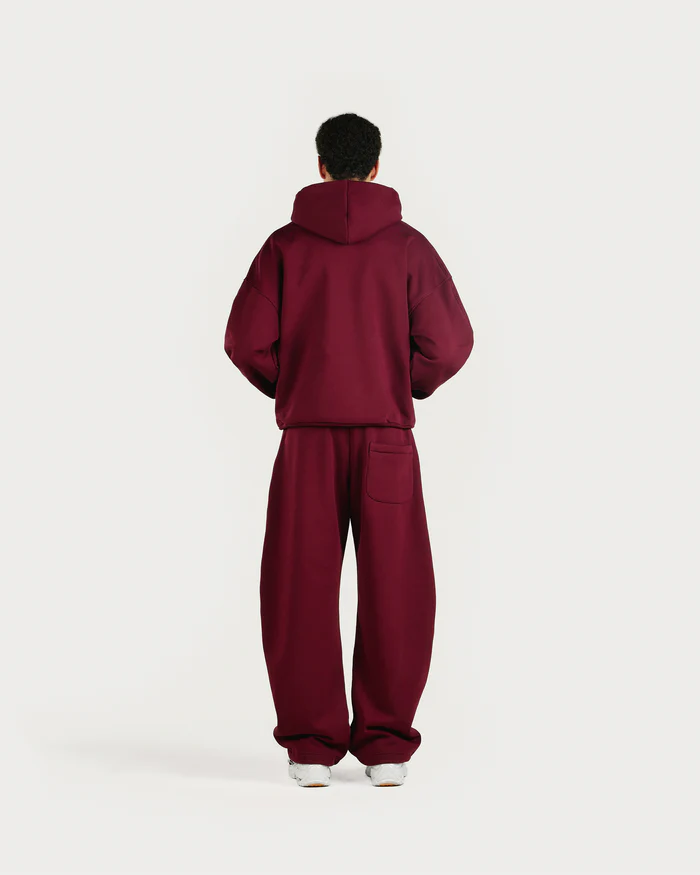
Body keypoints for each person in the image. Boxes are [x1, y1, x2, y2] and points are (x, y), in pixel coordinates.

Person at [224, 113, 474, 788]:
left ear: (321, 166)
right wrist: (402, 382)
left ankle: (310, 750)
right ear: (376, 167)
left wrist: (295, 384)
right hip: (387, 439)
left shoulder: (283, 248)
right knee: (398, 584)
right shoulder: (409, 248)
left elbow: (244, 340)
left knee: (298, 586)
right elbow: (450, 343)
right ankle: (387, 747)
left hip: (307, 439)